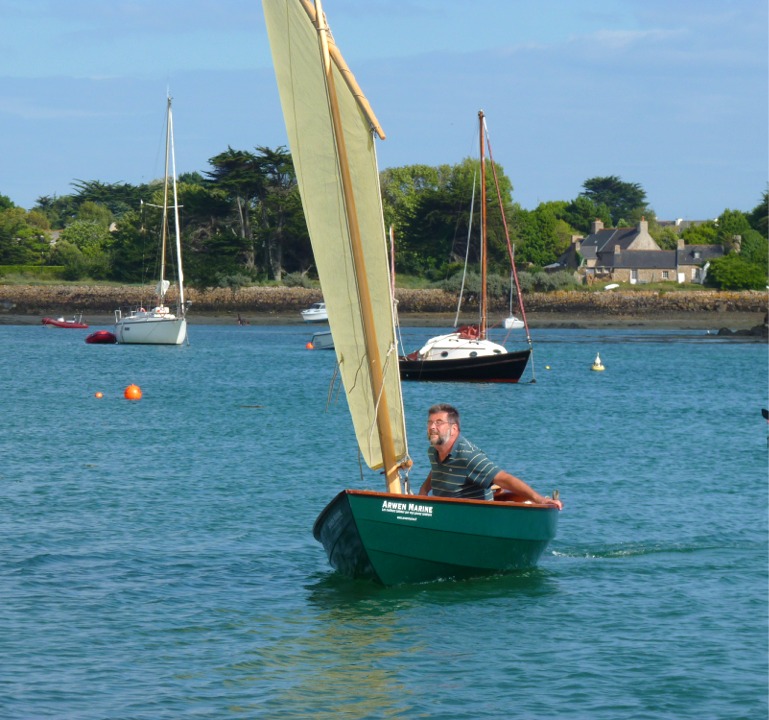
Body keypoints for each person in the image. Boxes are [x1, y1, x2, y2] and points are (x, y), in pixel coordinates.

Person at [418, 403, 563, 509]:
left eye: (439, 423)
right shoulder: (434, 450)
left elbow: (503, 479)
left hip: (472, 520)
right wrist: (424, 491)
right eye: (430, 422)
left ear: (454, 428)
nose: (432, 427)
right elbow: (437, 470)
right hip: (444, 514)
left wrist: (540, 500)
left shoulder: (468, 456)